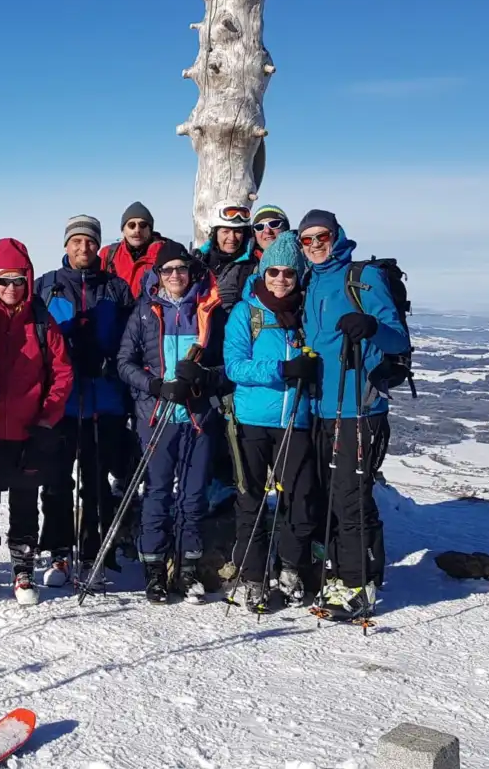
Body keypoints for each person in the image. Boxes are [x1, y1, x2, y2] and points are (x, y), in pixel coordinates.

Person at [298, 209, 409, 619]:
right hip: (319, 407)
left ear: (336, 235)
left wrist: (370, 325)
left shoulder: (362, 278)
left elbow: (396, 337)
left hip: (358, 406)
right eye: (306, 239)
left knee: (350, 498)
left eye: (320, 236)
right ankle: (337, 574)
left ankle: (361, 582)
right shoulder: (310, 281)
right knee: (328, 495)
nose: (314, 245)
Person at [117, 241, 227, 604]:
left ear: (191, 272)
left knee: (194, 496)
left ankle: (188, 568)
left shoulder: (208, 311)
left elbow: (229, 367)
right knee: (158, 493)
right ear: (158, 275)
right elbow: (125, 362)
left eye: (181, 268)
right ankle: (154, 569)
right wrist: (154, 386)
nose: (175, 275)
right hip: (157, 415)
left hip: (198, 416)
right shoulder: (145, 312)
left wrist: (204, 378)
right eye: (168, 270)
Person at [0, 239, 74, 605]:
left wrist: (47, 419)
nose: (10, 288)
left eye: (17, 280)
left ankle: (24, 565)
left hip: (31, 430)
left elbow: (61, 374)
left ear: (28, 281)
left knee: (26, 499)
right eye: (2, 281)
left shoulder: (44, 324)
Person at [34, 215, 136, 586]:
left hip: (105, 398)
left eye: (90, 242)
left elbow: (133, 336)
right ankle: (59, 552)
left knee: (97, 479)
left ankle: (97, 551)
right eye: (76, 241)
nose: (83, 248)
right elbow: (35, 339)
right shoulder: (46, 286)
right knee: (57, 478)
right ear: (66, 245)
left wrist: (109, 360)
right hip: (62, 400)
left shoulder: (116, 288)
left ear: (99, 246)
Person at [222, 233, 319, 609]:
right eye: (274, 271)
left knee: (299, 498)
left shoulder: (306, 315)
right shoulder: (246, 313)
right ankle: (252, 575)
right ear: (263, 272)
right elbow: (235, 365)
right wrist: (283, 368)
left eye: (289, 273)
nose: (281, 279)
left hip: (296, 419)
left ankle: (291, 567)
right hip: (251, 420)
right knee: (251, 501)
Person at [99, 201, 176, 299]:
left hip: (151, 312)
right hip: (116, 312)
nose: (137, 230)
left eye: (143, 225)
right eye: (131, 225)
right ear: (123, 230)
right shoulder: (108, 254)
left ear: (150, 229)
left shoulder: (166, 253)